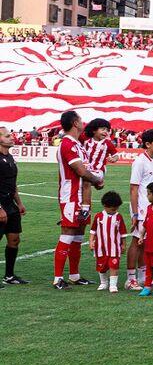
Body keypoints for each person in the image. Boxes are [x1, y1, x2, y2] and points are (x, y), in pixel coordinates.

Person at [53, 110, 103, 289]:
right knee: (67, 233)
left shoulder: (79, 145)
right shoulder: (67, 144)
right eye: (81, 120)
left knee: (78, 236)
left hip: (83, 198)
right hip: (71, 197)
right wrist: (97, 180)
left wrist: (93, 185)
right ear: (75, 123)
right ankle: (58, 278)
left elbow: (85, 174)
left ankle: (74, 275)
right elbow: (80, 172)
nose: (83, 123)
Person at [126, 128, 153, 290]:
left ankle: (143, 277)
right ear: (148, 144)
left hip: (152, 208)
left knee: (146, 242)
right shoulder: (140, 162)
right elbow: (133, 189)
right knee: (136, 241)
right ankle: (130, 279)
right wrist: (135, 213)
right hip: (141, 208)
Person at [0, 126, 28, 284]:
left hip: (11, 204)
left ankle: (9, 276)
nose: (11, 138)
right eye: (7, 136)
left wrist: (19, 203)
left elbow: (13, 184)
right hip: (1, 205)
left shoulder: (10, 157)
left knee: (14, 239)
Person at [88, 190, 125, 293]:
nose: (115, 210)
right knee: (102, 267)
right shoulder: (98, 216)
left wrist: (123, 244)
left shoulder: (118, 217)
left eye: (116, 208)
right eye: (113, 209)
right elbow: (93, 231)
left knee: (114, 265)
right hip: (101, 248)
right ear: (105, 206)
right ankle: (103, 282)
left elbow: (122, 233)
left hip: (114, 248)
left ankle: (113, 285)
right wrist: (91, 241)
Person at [80, 117, 117, 211]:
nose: (106, 132)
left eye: (107, 130)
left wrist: (113, 159)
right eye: (103, 129)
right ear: (93, 130)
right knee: (80, 184)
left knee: (86, 181)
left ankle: (85, 209)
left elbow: (116, 155)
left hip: (98, 170)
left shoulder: (107, 143)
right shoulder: (85, 140)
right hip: (86, 169)